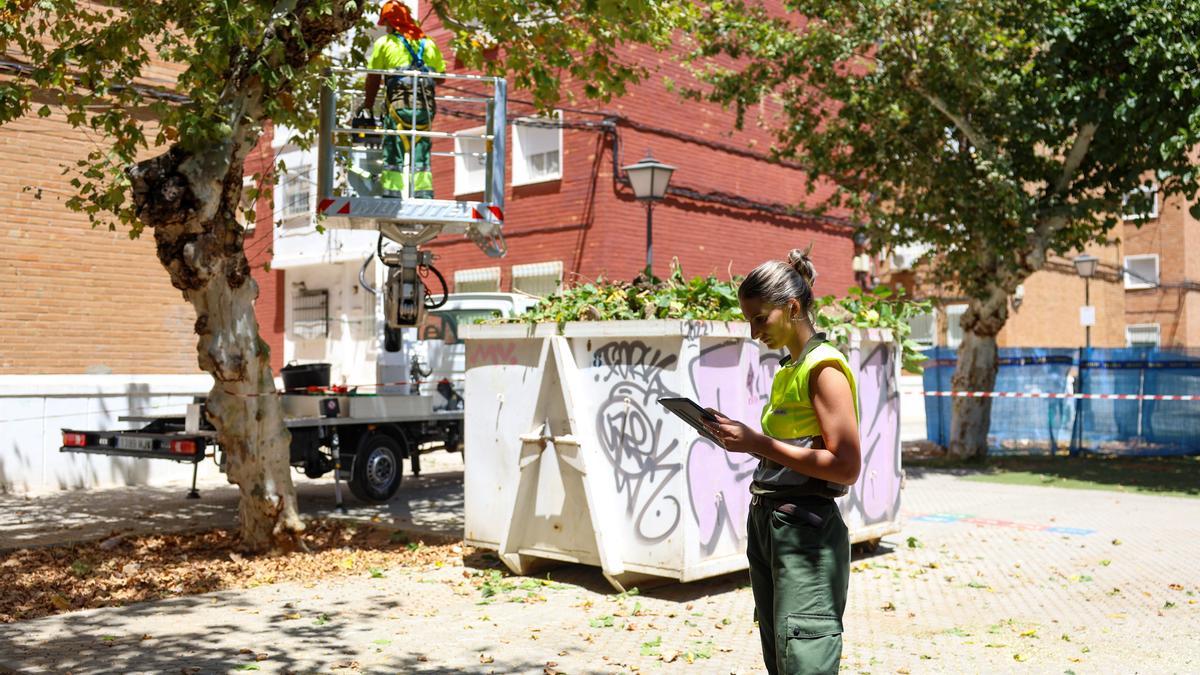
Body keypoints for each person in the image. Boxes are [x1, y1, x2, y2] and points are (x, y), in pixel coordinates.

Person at [702, 247, 862, 675]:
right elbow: (793, 453)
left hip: (805, 529)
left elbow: (846, 466)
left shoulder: (823, 369)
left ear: (792, 308)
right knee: (781, 652)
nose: (754, 331)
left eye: (760, 318)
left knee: (805, 656)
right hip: (772, 522)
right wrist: (744, 440)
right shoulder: (790, 368)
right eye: (749, 319)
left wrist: (759, 442)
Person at [361, 0, 446, 198]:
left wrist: (367, 105)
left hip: (398, 108)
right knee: (421, 154)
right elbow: (441, 77)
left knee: (393, 151)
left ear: (391, 23)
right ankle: (423, 195)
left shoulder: (385, 43)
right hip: (425, 109)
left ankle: (392, 195)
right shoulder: (429, 43)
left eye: (387, 24)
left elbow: (373, 78)